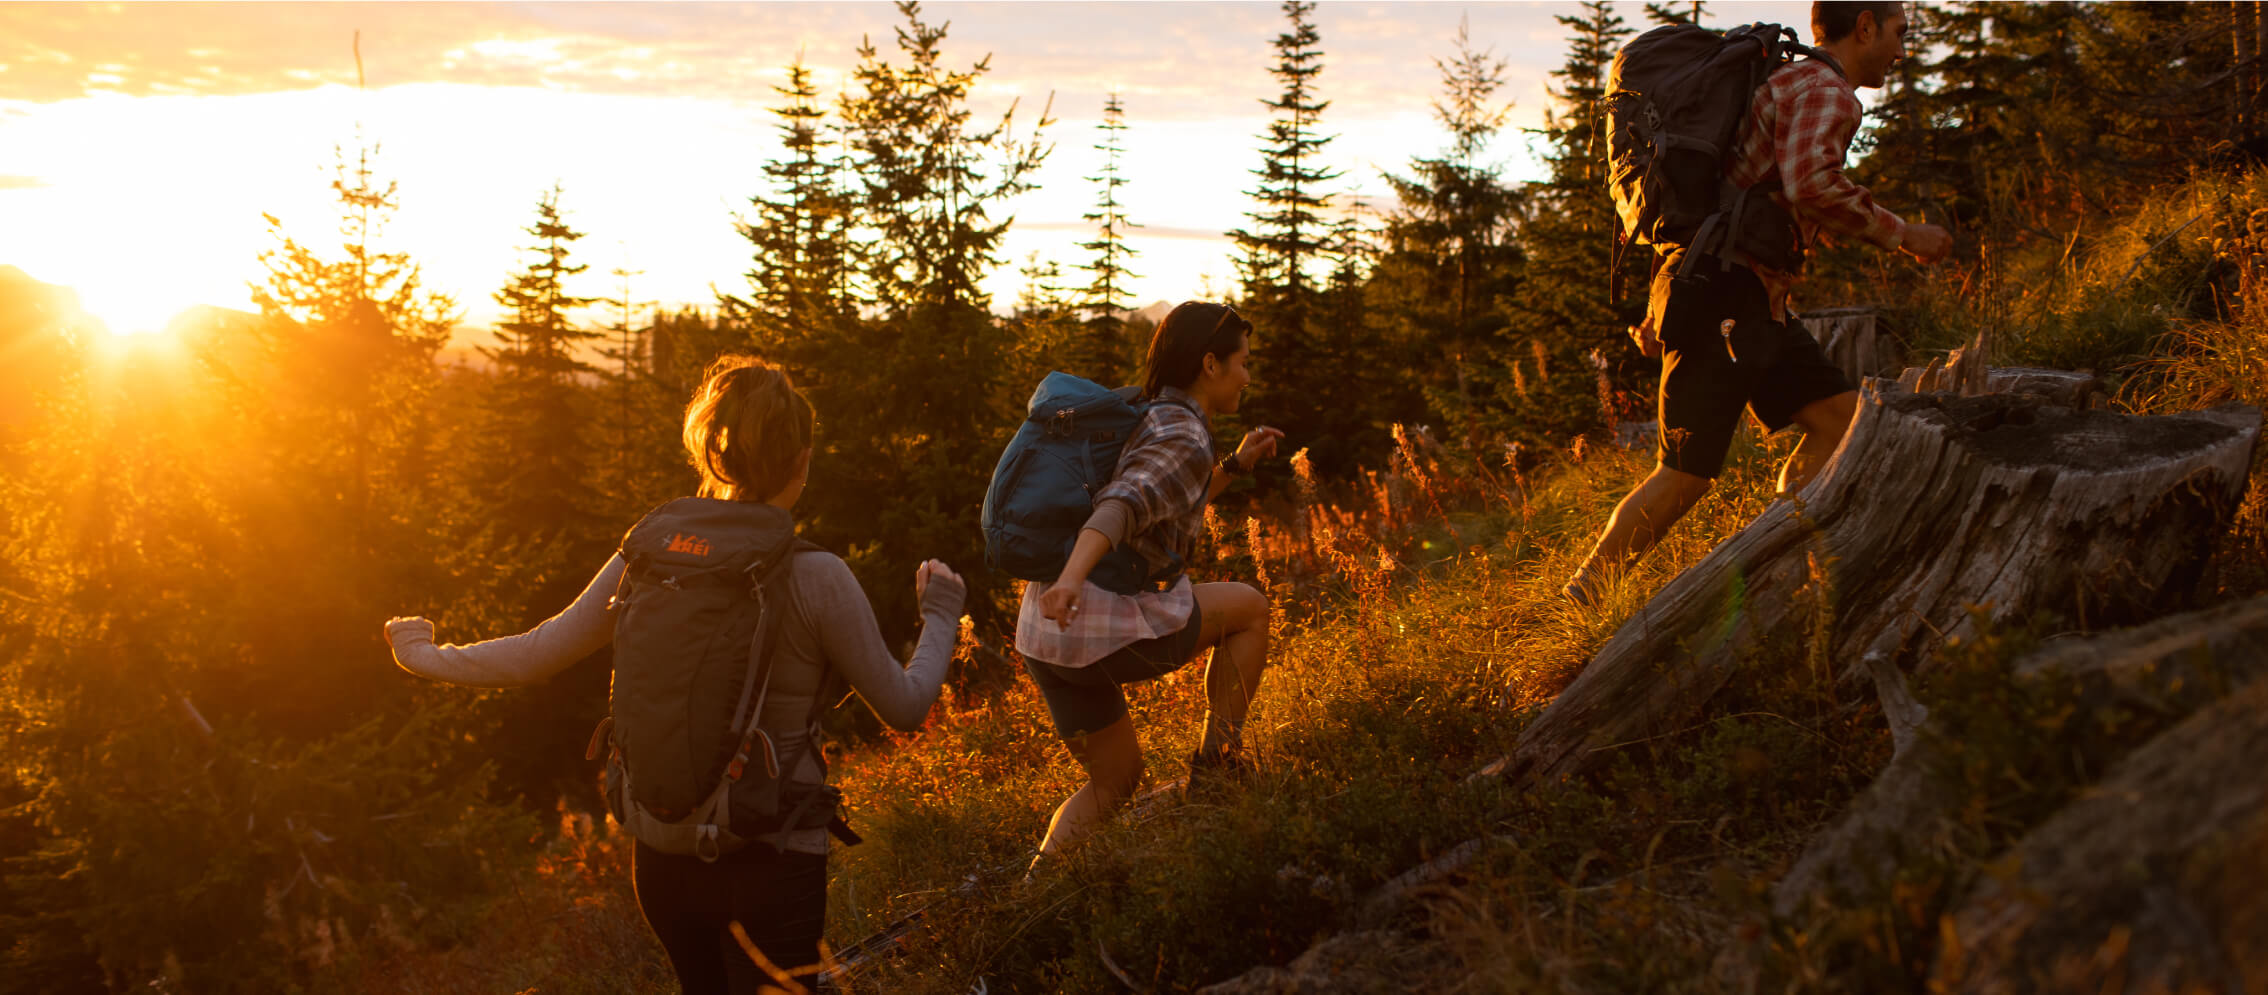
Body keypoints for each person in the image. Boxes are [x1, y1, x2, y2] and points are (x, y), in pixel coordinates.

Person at [384, 355, 964, 994]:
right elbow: (906, 708)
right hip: (769, 860)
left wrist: (426, 654)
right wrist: (940, 615)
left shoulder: (650, 551)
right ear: (801, 458)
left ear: (715, 453)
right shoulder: (817, 575)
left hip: (660, 861)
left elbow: (537, 651)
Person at [1565, 0, 1954, 605]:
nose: (1903, 49)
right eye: (1899, 32)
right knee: (1685, 473)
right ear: (1866, 27)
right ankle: (1582, 598)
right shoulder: (1828, 91)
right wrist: (1906, 235)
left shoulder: (1788, 79)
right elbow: (1813, 184)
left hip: (1749, 299)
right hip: (1729, 296)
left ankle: (1780, 559)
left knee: (1842, 423)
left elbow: (1715, 196)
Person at [1019, 300, 1285, 865]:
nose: (1247, 375)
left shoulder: (1147, 412)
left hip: (1046, 635)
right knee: (1250, 608)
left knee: (1116, 781)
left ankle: (1032, 892)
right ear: (1210, 364)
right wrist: (1073, 577)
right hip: (1094, 622)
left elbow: (1165, 500)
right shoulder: (1182, 435)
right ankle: (1219, 769)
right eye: (1242, 362)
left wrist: (1234, 467)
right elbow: (1123, 505)